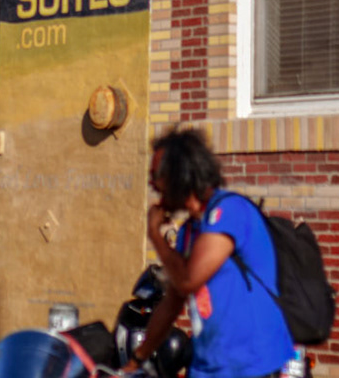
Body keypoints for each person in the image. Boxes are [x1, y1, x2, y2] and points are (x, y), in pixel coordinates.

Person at [125, 127, 298, 378]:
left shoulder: (229, 211)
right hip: (210, 367)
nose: (151, 184)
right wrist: (137, 358)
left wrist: (155, 234)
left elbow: (188, 281)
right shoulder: (189, 232)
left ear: (179, 175)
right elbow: (172, 301)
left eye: (155, 175)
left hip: (251, 365)